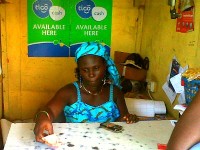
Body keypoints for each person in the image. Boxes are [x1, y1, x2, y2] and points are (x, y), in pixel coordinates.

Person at [34, 42, 139, 144]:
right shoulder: (69, 92)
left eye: (96, 68)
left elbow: (122, 120)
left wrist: (128, 118)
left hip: (109, 145)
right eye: (85, 70)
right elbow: (49, 110)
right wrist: (43, 118)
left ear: (105, 66)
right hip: (75, 145)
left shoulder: (115, 92)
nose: (91, 74)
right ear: (79, 70)